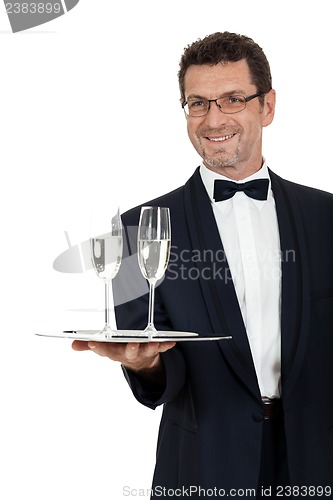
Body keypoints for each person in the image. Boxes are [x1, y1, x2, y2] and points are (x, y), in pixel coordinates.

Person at [72, 32, 333, 498]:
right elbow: (155, 373)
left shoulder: (327, 217)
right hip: (200, 464)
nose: (214, 119)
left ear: (267, 107)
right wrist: (145, 364)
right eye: (198, 103)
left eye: (232, 99)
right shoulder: (131, 232)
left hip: (317, 459)